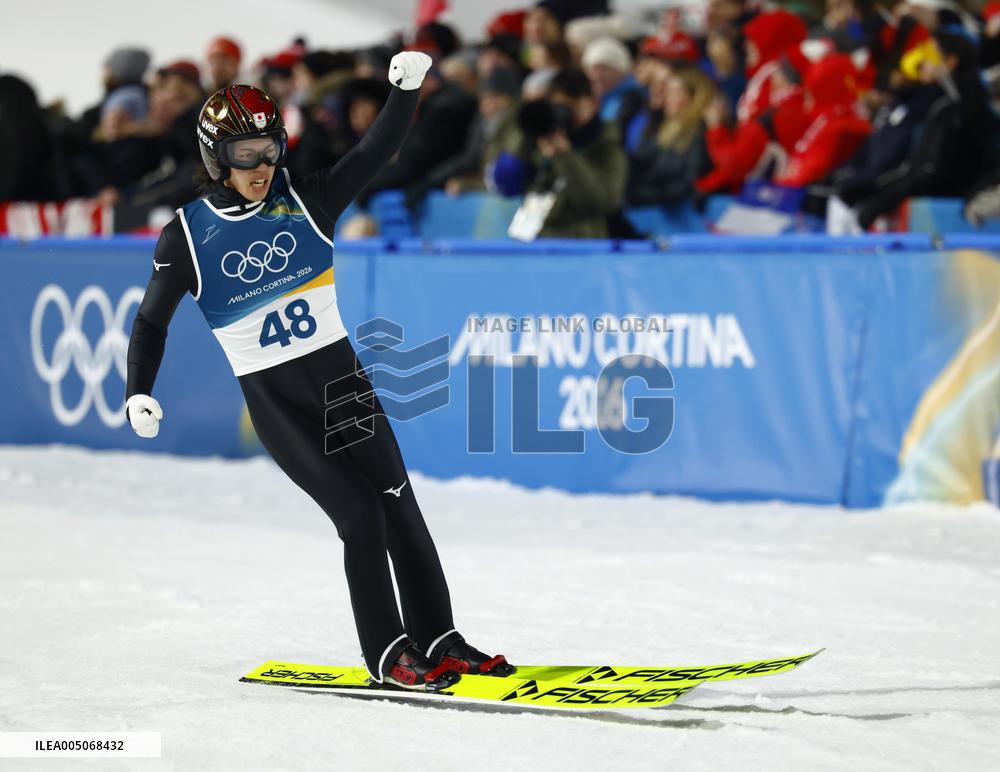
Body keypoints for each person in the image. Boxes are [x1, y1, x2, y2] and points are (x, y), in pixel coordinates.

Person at [123, 51, 514, 692]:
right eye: (244, 155)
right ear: (216, 159)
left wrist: (404, 91)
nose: (261, 167)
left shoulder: (307, 199)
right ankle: (389, 653)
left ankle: (440, 637)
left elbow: (378, 149)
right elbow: (149, 323)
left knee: (400, 505)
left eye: (270, 149)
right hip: (278, 403)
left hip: (343, 384)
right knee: (360, 516)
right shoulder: (186, 238)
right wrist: (138, 390)